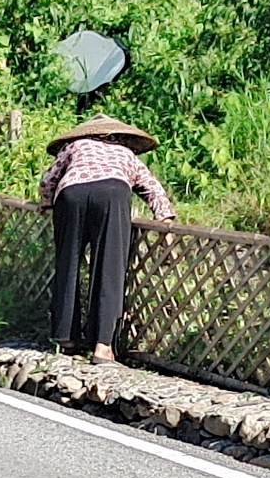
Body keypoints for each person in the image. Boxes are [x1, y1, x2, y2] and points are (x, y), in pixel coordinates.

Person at [39, 113, 176, 362]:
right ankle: (102, 346)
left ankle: (65, 336)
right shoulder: (125, 154)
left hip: (72, 194)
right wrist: (164, 218)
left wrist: (47, 203)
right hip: (112, 193)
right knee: (109, 268)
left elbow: (48, 180)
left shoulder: (75, 146)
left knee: (67, 263)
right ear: (117, 137)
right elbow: (151, 187)